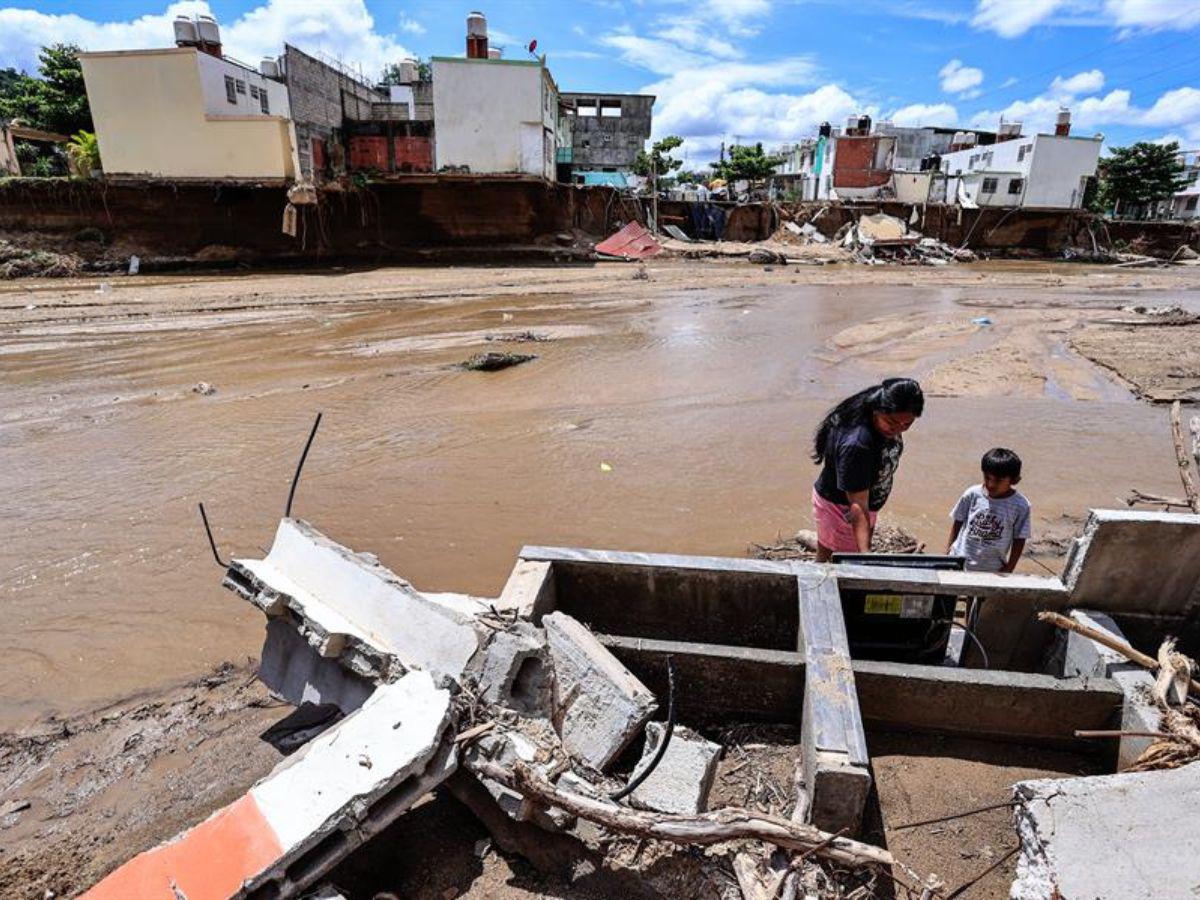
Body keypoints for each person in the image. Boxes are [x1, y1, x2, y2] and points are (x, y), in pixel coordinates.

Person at [811, 378, 925, 561]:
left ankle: (822, 565)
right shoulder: (858, 445)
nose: (898, 429)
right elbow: (858, 505)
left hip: (856, 504)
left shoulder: (874, 414)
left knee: (830, 547)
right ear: (877, 410)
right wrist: (865, 554)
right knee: (844, 557)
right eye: (892, 422)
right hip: (843, 510)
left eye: (907, 424)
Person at [946, 448, 1031, 573]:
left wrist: (1009, 568)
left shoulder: (1021, 506)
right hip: (959, 560)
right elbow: (958, 521)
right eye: (987, 478)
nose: (991, 484)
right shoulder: (972, 494)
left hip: (992, 569)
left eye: (998, 480)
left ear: (1014, 480)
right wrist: (948, 551)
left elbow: (1019, 539)